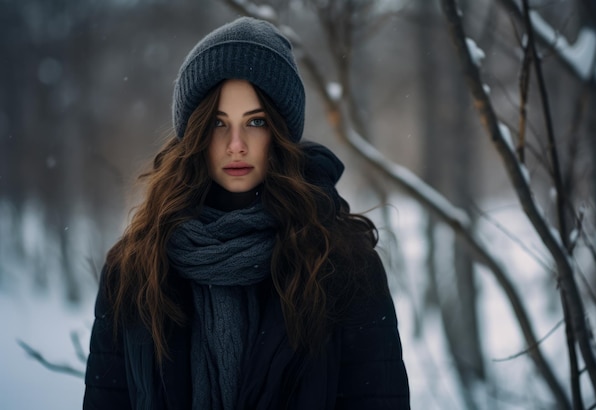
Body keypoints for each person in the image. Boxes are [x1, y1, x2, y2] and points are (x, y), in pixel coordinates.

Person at [83, 16, 410, 410]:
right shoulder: (136, 268)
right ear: (194, 134)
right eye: (218, 123)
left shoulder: (341, 265)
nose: (235, 145)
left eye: (256, 122)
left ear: (281, 132)